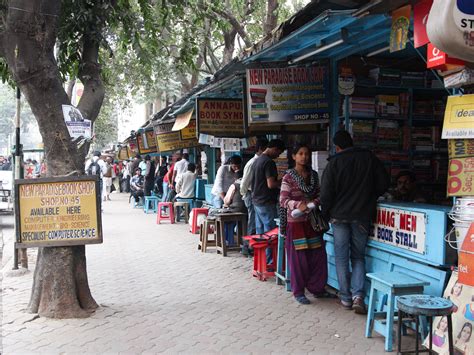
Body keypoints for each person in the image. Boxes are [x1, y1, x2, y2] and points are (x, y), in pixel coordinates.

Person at [320, 130, 389, 314]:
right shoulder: (369, 159)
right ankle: (359, 295)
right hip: (362, 216)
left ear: (337, 146)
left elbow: (326, 195)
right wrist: (369, 196)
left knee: (341, 258)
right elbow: (383, 184)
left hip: (339, 217)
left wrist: (324, 215)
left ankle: (345, 298)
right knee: (358, 256)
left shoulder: (334, 164)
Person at [280, 144, 328, 305]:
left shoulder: (313, 176)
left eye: (306, 154)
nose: (304, 157)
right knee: (298, 259)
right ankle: (299, 291)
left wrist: (313, 203)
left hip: (313, 222)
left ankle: (317, 288)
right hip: (296, 223)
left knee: (317, 257)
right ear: (293, 156)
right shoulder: (288, 177)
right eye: (300, 153)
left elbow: (321, 195)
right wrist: (297, 205)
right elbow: (283, 200)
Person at [251, 139, 286, 235]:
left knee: (260, 232)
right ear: (275, 149)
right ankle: (269, 251)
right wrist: (284, 180)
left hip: (257, 200)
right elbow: (271, 184)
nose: (278, 156)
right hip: (266, 201)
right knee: (270, 232)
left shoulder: (257, 160)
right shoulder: (269, 162)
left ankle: (261, 250)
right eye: (279, 153)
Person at [240, 137, 268, 235]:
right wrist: (245, 195)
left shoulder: (260, 161)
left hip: (255, 194)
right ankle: (247, 247)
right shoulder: (252, 163)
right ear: (261, 148)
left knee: (257, 222)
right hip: (250, 194)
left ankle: (254, 245)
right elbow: (244, 183)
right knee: (252, 221)